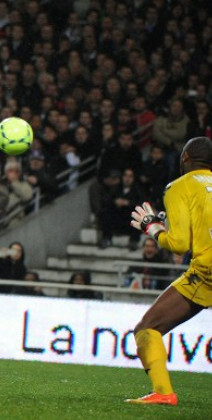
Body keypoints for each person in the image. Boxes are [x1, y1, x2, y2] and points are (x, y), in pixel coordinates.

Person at [127, 136, 212, 405]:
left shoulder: (180, 186)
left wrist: (152, 228)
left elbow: (178, 245)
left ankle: (163, 393)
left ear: (185, 158)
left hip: (208, 273)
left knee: (147, 328)